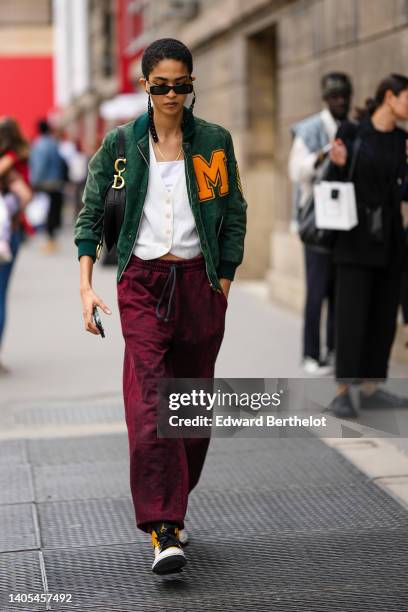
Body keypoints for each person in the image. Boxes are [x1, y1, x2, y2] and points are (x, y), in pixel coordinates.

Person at [74, 38, 247, 574]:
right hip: (142, 284)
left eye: (182, 84)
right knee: (150, 404)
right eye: (162, 85)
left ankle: (176, 497)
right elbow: (89, 215)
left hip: (199, 285)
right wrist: (86, 286)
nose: (172, 95)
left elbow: (235, 212)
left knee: (191, 411)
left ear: (192, 83)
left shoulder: (214, 142)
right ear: (145, 86)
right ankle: (163, 526)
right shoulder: (121, 144)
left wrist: (223, 281)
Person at [328, 74, 408, 417]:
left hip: (391, 239)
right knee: (351, 316)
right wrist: (338, 165)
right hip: (354, 238)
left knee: (383, 316)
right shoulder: (352, 131)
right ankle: (343, 390)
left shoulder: (403, 140)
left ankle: (373, 387)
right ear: (389, 97)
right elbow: (332, 185)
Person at [289, 73, 353, 374]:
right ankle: (310, 354)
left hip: (346, 221)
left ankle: (334, 349)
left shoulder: (352, 128)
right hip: (316, 222)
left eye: (344, 95)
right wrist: (324, 155)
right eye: (335, 96)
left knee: (339, 292)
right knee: (316, 291)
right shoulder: (311, 129)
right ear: (326, 99)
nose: (340, 100)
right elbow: (296, 170)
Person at [0, 117, 32, 373]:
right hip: (11, 231)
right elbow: (26, 196)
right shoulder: (20, 154)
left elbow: (24, 194)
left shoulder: (10, 157)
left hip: (6, 232)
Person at [30, 119, 66, 252]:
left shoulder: (39, 145)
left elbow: (39, 166)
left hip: (45, 183)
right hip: (56, 182)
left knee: (46, 211)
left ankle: (49, 240)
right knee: (53, 211)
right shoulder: (54, 143)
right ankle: (52, 240)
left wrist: (33, 182)